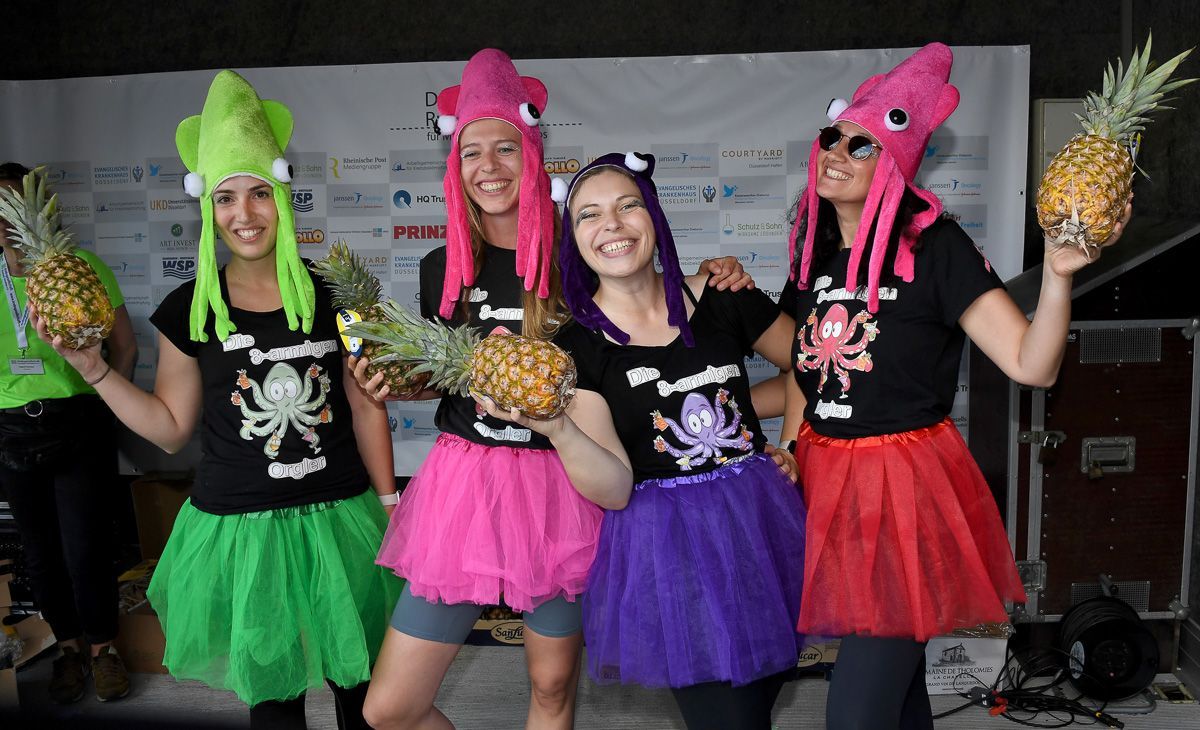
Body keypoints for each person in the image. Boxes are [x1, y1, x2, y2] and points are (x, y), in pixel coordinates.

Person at [357, 51, 751, 730]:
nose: (489, 166)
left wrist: (717, 275)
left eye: (506, 147)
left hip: (563, 487)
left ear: (533, 151)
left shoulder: (580, 252)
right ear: (454, 165)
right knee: (390, 709)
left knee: (550, 688)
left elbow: (650, 320)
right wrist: (398, 382)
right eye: (471, 151)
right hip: (465, 488)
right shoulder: (441, 264)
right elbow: (450, 374)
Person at [777, 43, 1130, 730]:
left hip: (901, 496)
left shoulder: (936, 247)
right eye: (832, 137)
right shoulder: (814, 254)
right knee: (899, 698)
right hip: (829, 487)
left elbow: (1033, 365)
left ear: (897, 164)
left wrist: (1058, 277)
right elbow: (805, 369)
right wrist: (791, 445)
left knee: (855, 714)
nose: (837, 152)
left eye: (862, 145)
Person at [33, 71, 399, 729]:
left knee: (365, 695)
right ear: (207, 208)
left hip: (340, 519)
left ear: (283, 196)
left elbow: (365, 403)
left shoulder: (333, 295)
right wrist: (95, 370)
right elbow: (170, 427)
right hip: (242, 531)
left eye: (259, 193)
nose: (244, 214)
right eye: (226, 197)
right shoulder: (190, 308)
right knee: (275, 704)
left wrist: (390, 502)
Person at [480, 152, 806, 730]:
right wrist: (558, 428)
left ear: (653, 216)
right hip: (671, 550)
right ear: (572, 239)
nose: (612, 223)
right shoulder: (577, 348)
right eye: (589, 214)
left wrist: (792, 444)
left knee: (757, 704)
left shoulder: (723, 295)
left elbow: (815, 368)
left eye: (628, 205)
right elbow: (614, 488)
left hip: (761, 528)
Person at [0, 161, 137, 704]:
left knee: (86, 545)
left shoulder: (80, 268)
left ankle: (105, 649)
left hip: (79, 420)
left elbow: (124, 345)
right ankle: (68, 648)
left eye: (14, 203)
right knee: (39, 552)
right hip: (11, 429)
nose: (6, 217)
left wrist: (111, 404)